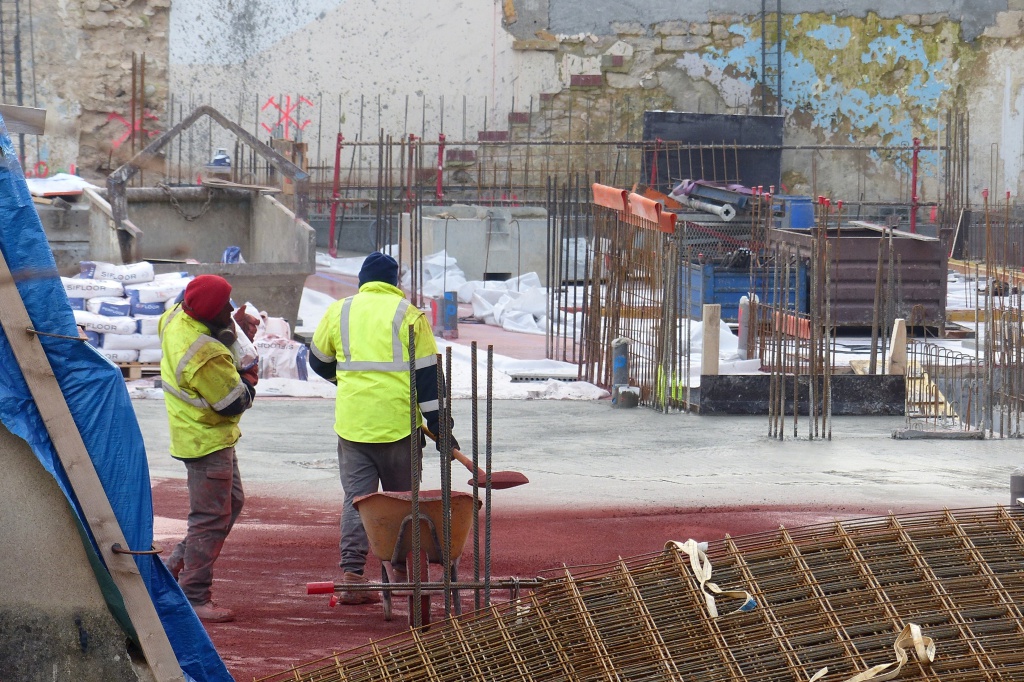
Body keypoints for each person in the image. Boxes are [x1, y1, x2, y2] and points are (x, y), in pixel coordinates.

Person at [309, 252, 456, 604]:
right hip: (397, 427)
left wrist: (345, 381)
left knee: (358, 502)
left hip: (353, 424)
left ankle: (353, 577)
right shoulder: (408, 314)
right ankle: (404, 575)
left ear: (362, 280)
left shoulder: (339, 311)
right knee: (404, 502)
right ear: (394, 283)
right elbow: (428, 378)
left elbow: (317, 360)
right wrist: (440, 426)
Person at [158, 274, 258, 623]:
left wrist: (230, 331)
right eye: (225, 309)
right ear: (209, 316)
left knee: (230, 504)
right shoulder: (206, 354)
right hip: (206, 440)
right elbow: (233, 402)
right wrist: (249, 372)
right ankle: (194, 595)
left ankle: (173, 570)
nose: (231, 310)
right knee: (210, 517)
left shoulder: (173, 317)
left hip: (196, 434)